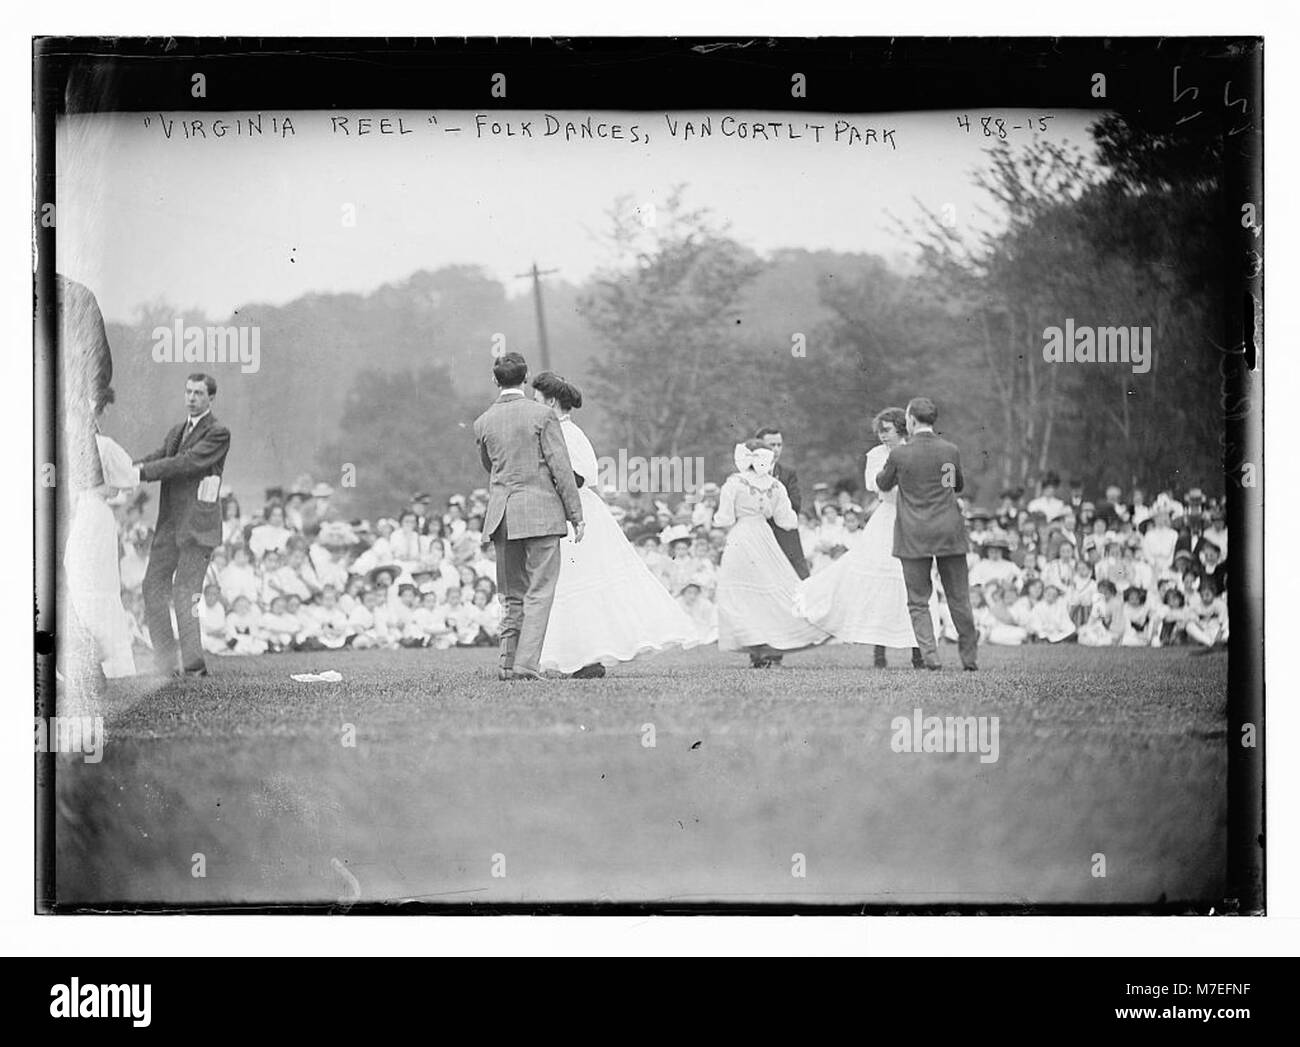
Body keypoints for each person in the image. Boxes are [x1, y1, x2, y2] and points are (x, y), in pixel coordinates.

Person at [531, 372, 697, 676]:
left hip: (576, 510)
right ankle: (580, 657)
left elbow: (582, 475)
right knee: (568, 583)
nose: (534, 404)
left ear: (551, 401)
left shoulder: (569, 434)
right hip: (563, 509)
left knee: (583, 582)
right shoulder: (555, 431)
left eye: (538, 399)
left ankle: (589, 659)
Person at [473, 352, 584, 681]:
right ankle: (525, 665)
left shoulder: (482, 422)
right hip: (541, 514)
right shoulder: (542, 415)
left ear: (495, 381)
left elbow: (489, 466)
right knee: (539, 591)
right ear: (525, 378)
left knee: (511, 593)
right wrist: (576, 514)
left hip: (503, 516)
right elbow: (561, 469)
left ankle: (508, 663)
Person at [57, 276, 139, 701]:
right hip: (76, 482)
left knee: (69, 574)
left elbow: (97, 370)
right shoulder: (77, 295)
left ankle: (88, 655)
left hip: (76, 485)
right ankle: (86, 655)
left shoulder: (75, 297)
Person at [794, 407, 922, 668]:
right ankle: (879, 651)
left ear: (901, 427)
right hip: (887, 520)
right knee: (879, 583)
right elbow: (877, 486)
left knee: (912, 583)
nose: (882, 436)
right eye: (879, 431)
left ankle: (918, 651)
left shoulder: (917, 449)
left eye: (886, 430)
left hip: (913, 519)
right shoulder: (877, 455)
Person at [133, 372, 232, 678]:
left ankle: (194, 666)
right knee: (152, 587)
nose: (191, 398)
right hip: (169, 526)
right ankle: (166, 664)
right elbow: (161, 457)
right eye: (188, 391)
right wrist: (126, 467)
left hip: (198, 528)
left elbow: (187, 463)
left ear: (211, 398)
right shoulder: (177, 430)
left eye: (198, 393)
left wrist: (139, 474)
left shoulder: (218, 432)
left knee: (185, 594)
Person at [875, 397, 979, 671]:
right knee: (959, 597)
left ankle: (931, 657)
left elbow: (884, 483)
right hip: (948, 530)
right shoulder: (950, 450)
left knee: (918, 599)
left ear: (909, 420)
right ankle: (969, 659)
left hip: (914, 532)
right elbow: (956, 486)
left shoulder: (899, 454)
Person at [714, 440, 829, 666]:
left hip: (741, 538)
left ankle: (756, 647)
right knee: (767, 591)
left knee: (741, 594)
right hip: (764, 537)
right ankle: (763, 647)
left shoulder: (734, 483)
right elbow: (787, 520)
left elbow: (724, 518)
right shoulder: (775, 485)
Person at [756, 426, 811, 580]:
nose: (776, 450)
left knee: (800, 580)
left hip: (785, 535)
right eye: (771, 445)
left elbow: (795, 504)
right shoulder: (748, 475)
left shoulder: (788, 473)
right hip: (759, 536)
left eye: (779, 445)